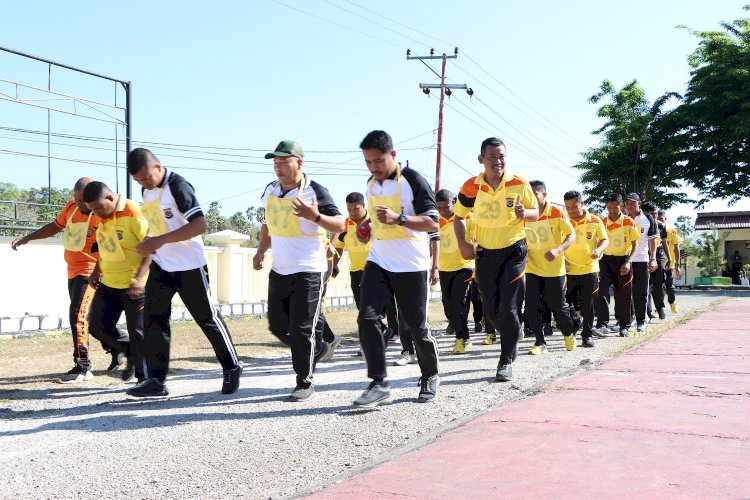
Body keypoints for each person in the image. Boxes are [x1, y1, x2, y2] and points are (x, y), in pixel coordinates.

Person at [126, 148, 241, 397]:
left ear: (158, 167)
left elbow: (199, 225)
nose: (144, 183)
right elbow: (155, 228)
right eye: (138, 181)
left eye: (146, 177)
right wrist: (144, 263)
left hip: (190, 266)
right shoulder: (146, 191)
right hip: (162, 265)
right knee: (154, 321)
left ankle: (232, 366)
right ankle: (157, 380)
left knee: (207, 318)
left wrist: (160, 240)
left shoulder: (178, 186)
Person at [352, 130, 441, 408]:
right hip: (379, 260)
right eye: (368, 162)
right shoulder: (371, 184)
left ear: (393, 155)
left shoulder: (412, 180)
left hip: (411, 264)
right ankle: (379, 382)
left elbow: (433, 223)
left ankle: (430, 375)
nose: (373, 167)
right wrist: (368, 228)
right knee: (366, 319)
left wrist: (399, 218)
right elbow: (377, 220)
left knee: (416, 326)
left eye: (378, 160)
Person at [253, 140, 346, 401]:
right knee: (277, 325)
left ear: (299, 163)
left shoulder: (315, 191)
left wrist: (314, 216)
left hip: (309, 270)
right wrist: (260, 251)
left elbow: (340, 223)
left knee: (301, 327)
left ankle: (304, 381)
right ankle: (314, 350)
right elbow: (267, 224)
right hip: (280, 269)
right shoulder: (271, 190)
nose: (279, 168)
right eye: (276, 163)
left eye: (284, 162)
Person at [454, 137, 539, 382]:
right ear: (481, 159)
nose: (497, 161)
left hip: (514, 250)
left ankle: (505, 361)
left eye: (501, 156)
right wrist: (462, 243)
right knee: (491, 310)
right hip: (485, 253)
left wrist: (527, 213)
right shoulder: (471, 187)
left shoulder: (519, 183)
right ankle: (512, 335)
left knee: (509, 307)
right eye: (491, 157)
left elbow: (535, 212)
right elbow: (458, 217)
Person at [11, 177, 105, 382]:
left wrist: (98, 272)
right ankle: (123, 348)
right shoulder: (71, 207)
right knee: (93, 320)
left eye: (82, 200)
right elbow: (55, 226)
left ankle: (83, 366)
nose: (77, 202)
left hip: (90, 273)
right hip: (72, 271)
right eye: (75, 197)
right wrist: (28, 238)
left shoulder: (100, 214)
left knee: (78, 315)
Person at [83, 181, 150, 383]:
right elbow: (106, 246)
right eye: (92, 210)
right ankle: (128, 349)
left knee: (137, 332)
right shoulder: (101, 217)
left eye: (98, 208)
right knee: (96, 325)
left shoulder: (133, 213)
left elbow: (151, 248)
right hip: (109, 282)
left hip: (134, 285)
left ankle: (144, 379)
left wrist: (139, 279)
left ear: (110, 198)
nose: (96, 213)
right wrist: (96, 270)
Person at [332, 192, 400, 359]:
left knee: (380, 307)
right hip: (356, 272)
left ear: (364, 206)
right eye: (349, 209)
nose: (352, 212)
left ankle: (378, 339)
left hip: (378, 270)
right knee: (363, 310)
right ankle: (383, 332)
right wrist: (334, 264)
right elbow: (339, 247)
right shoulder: (344, 225)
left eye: (356, 208)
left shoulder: (374, 222)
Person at [523, 181, 578, 354]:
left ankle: (569, 334)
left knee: (558, 306)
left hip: (554, 269)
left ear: (544, 195)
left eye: (535, 194)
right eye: (528, 194)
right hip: (532, 267)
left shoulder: (557, 212)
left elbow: (571, 235)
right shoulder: (523, 214)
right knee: (531, 306)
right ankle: (540, 342)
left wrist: (557, 249)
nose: (531, 198)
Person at [563, 191, 608, 347]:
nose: (571, 210)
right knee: (566, 304)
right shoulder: (562, 220)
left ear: (581, 204)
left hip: (590, 269)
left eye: (574, 206)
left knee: (588, 305)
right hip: (567, 270)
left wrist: (599, 250)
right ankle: (575, 322)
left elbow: (604, 240)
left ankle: (587, 336)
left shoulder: (595, 220)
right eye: (567, 207)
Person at [435, 189, 475, 354]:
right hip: (444, 267)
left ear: (454, 203)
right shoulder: (436, 221)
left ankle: (462, 339)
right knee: (448, 305)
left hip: (464, 266)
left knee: (458, 302)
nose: (443, 211)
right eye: (439, 208)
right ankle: (458, 325)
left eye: (446, 207)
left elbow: (478, 240)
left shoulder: (467, 217)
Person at [596, 193, 640, 337]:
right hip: (605, 260)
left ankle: (624, 325)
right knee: (601, 291)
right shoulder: (601, 222)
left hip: (623, 260)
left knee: (623, 294)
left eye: (615, 207)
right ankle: (602, 324)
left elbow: (635, 245)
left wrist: (628, 262)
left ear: (621, 206)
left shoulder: (629, 222)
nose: (612, 210)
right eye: (609, 208)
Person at [625, 193, 658, 332]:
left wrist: (653, 258)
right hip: (625, 260)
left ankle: (641, 320)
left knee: (641, 292)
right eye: (627, 203)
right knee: (625, 292)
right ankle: (628, 319)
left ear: (639, 203)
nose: (630, 206)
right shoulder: (623, 218)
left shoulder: (648, 218)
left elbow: (652, 240)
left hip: (642, 259)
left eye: (633, 203)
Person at [642, 202, 670, 320]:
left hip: (659, 258)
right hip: (643, 258)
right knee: (645, 286)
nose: (654, 216)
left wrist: (669, 258)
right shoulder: (640, 224)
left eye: (655, 214)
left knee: (659, 285)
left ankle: (660, 308)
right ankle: (647, 312)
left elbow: (664, 243)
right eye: (652, 214)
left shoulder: (661, 226)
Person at [658, 211, 682, 312]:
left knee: (669, 287)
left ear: (665, 219)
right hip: (658, 263)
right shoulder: (653, 231)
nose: (659, 222)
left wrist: (677, 265)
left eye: (661, 219)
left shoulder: (672, 232)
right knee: (658, 287)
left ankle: (672, 302)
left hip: (669, 264)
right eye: (657, 220)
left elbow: (676, 249)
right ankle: (659, 307)